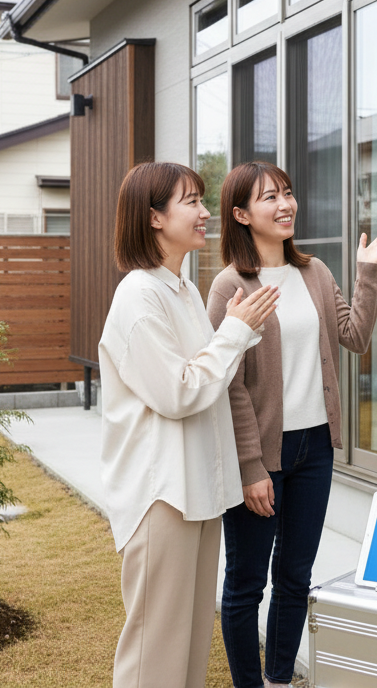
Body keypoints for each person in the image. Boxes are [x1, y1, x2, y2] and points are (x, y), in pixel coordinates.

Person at [207, 161, 377, 688]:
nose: (285, 204)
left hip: (314, 447)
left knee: (294, 577)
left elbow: (354, 336)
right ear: (242, 214)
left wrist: (367, 274)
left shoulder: (314, 273)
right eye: (269, 197)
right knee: (246, 582)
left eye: (287, 193)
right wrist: (250, 467)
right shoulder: (230, 285)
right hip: (259, 452)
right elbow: (230, 383)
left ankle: (279, 680)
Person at [98, 161, 280, 688]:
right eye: (192, 202)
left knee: (190, 644)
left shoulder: (179, 289)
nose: (206, 213)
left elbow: (207, 380)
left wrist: (236, 332)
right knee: (154, 652)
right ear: (154, 217)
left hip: (195, 489)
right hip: (162, 494)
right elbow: (180, 391)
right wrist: (235, 331)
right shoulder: (138, 297)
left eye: (203, 200)